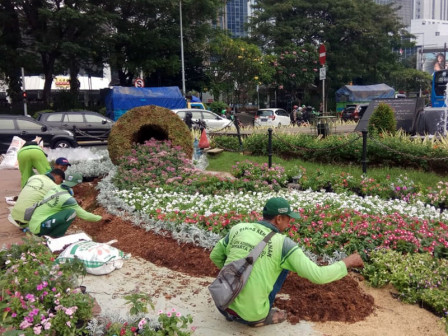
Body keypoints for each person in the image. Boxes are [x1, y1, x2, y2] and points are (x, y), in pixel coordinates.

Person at [210, 197, 364, 327]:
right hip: (252, 314)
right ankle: (260, 316)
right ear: (278, 218)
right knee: (284, 266)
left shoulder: (238, 228)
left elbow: (215, 256)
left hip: (223, 302)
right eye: (288, 218)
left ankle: (236, 306)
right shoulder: (283, 244)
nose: (290, 222)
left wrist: (237, 276)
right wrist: (347, 262)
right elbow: (319, 275)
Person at [28, 172, 111, 238]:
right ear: (77, 185)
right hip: (39, 229)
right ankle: (56, 236)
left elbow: (58, 201)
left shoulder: (55, 188)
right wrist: (101, 218)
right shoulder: (68, 199)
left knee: (64, 210)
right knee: (71, 212)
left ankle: (48, 231)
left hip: (33, 224)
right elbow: (84, 215)